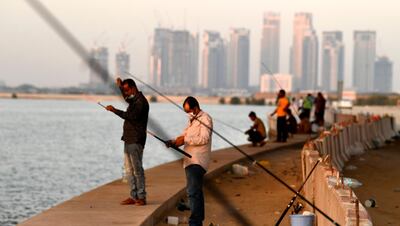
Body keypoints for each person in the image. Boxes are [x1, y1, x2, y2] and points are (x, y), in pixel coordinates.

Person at [167, 96, 213, 226]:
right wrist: (174, 142)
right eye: (186, 112)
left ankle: (194, 223)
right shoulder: (191, 120)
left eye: (189, 111)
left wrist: (186, 139)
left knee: (193, 193)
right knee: (196, 192)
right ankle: (198, 221)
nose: (188, 114)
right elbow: (184, 137)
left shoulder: (206, 119)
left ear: (195, 108)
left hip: (198, 161)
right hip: (189, 161)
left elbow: (204, 138)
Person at [106, 78, 149, 206]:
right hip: (128, 138)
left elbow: (131, 117)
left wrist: (114, 110)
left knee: (137, 170)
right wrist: (120, 87)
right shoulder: (133, 100)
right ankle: (133, 195)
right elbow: (126, 98)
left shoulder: (141, 102)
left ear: (133, 88)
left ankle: (141, 197)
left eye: (126, 89)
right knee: (129, 170)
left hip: (136, 139)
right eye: (124, 90)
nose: (125, 92)